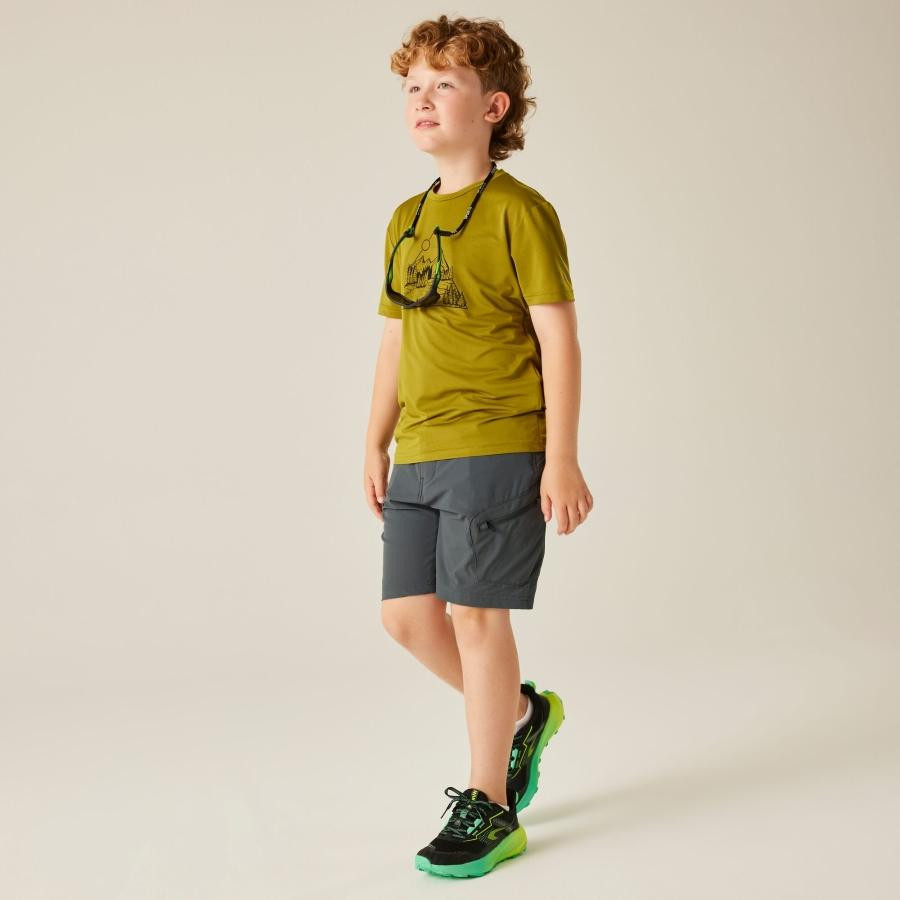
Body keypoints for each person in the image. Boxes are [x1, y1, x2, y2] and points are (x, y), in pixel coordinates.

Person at [363, 14, 593, 879]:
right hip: (421, 447)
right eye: (412, 87)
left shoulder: (520, 213)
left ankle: (490, 803)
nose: (422, 100)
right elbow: (394, 340)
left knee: (475, 616)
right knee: (404, 617)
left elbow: (559, 339)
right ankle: (523, 714)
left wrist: (561, 456)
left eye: (444, 85)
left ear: (493, 108)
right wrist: (373, 440)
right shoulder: (405, 219)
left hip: (497, 443)